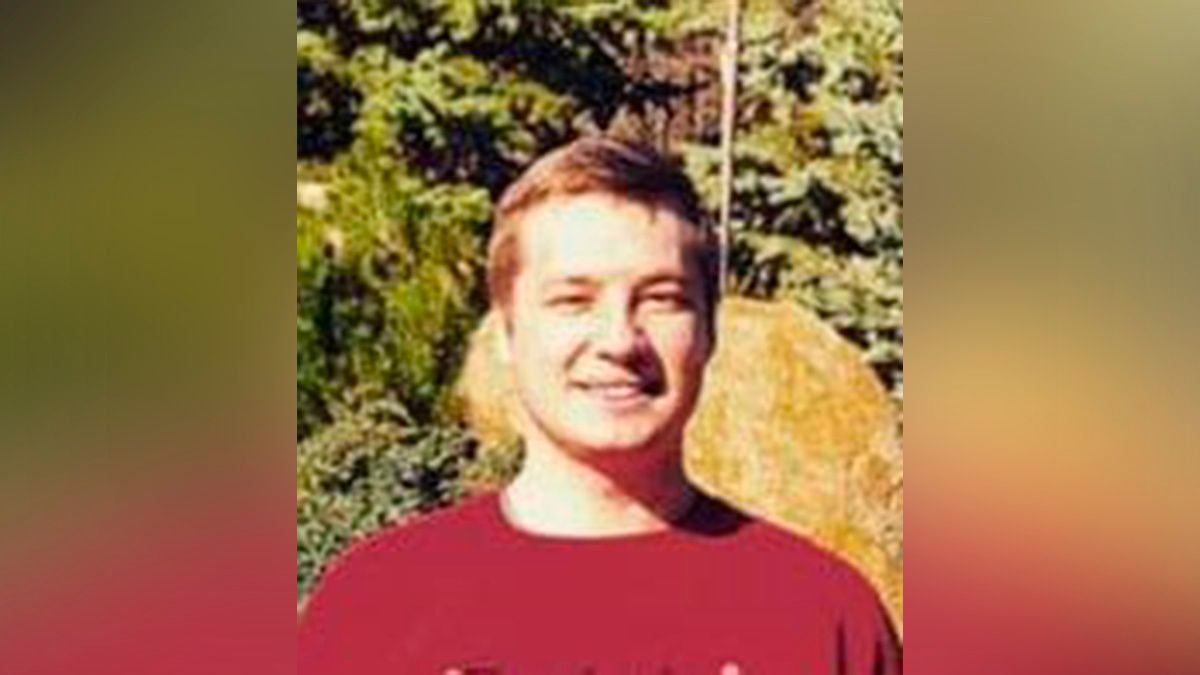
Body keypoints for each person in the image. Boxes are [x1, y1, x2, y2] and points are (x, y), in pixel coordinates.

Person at [298, 137, 902, 674]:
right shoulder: (375, 610)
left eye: (661, 298)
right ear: (506, 334)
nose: (619, 341)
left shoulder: (821, 619)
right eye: (574, 300)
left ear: (709, 331)